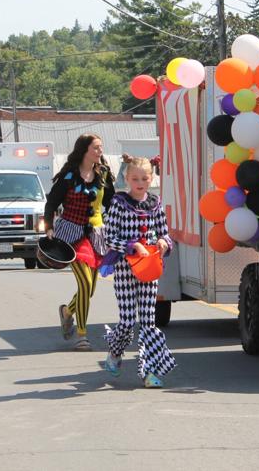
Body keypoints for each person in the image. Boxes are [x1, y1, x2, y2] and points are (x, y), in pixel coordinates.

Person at [102, 156, 175, 388]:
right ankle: (115, 352)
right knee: (126, 321)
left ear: (151, 178)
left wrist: (164, 243)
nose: (140, 182)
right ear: (127, 178)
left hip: (149, 268)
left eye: (144, 178)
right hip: (125, 268)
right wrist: (133, 245)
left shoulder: (155, 204)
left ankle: (149, 372)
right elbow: (109, 237)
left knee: (148, 323)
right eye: (135, 178)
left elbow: (164, 233)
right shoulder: (119, 203)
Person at [44, 133, 115, 351]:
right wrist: (48, 227)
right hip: (71, 234)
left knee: (90, 289)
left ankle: (67, 312)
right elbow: (51, 204)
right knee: (84, 284)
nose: (100, 151)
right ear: (84, 150)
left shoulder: (103, 174)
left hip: (97, 234)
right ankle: (82, 335)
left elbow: (111, 203)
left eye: (101, 147)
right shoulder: (68, 177)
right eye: (96, 148)